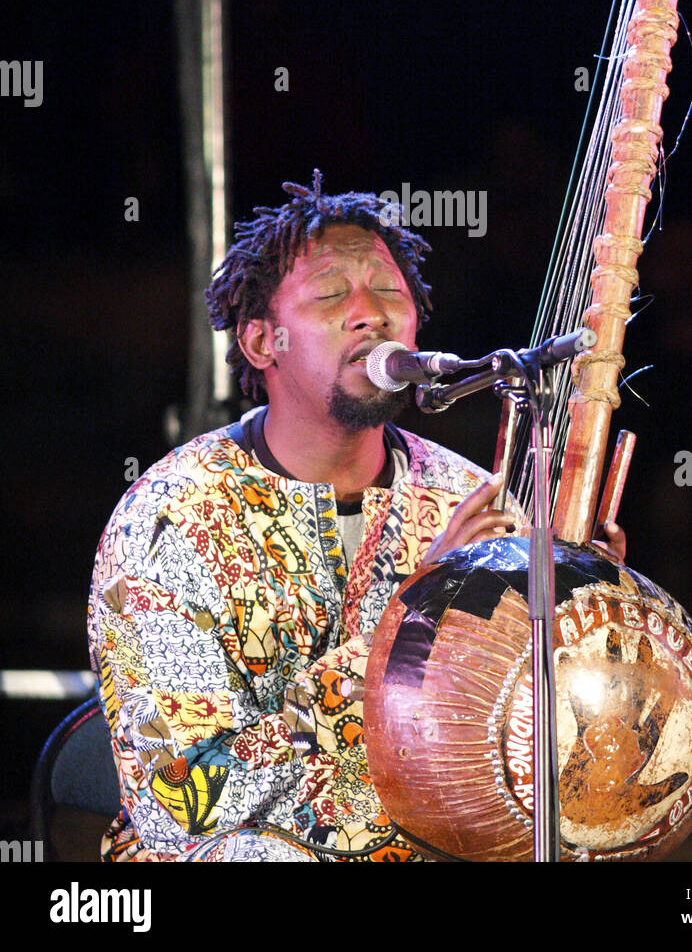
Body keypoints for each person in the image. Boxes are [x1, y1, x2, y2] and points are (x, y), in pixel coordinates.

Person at [88, 172, 625, 862]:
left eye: (389, 291)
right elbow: (178, 805)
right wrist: (410, 622)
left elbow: (521, 743)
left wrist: (588, 617)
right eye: (332, 294)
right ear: (261, 343)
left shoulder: (467, 497)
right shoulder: (169, 520)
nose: (370, 311)